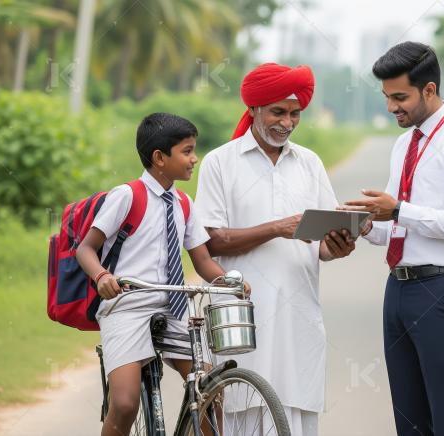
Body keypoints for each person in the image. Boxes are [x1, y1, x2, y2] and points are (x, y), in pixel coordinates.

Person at [194, 63, 356, 436]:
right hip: (243, 315)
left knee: (295, 415)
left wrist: (337, 246)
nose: (287, 122)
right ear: (253, 109)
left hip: (298, 312)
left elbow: (321, 245)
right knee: (243, 408)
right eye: (278, 112)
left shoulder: (309, 163)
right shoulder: (221, 162)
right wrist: (277, 228)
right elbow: (212, 240)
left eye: (295, 113)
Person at [341, 42, 444, 435]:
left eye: (400, 97)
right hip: (398, 290)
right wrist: (360, 225)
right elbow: (395, 228)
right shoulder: (403, 144)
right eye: (387, 97)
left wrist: (397, 210)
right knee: (409, 419)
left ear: (429, 90)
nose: (392, 107)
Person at [76, 113, 251, 436]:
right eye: (186, 151)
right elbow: (85, 248)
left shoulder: (184, 203)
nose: (194, 159)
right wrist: (102, 277)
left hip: (173, 308)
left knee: (209, 391)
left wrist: (228, 282)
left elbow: (201, 261)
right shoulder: (127, 196)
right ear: (159, 158)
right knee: (126, 403)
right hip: (127, 305)